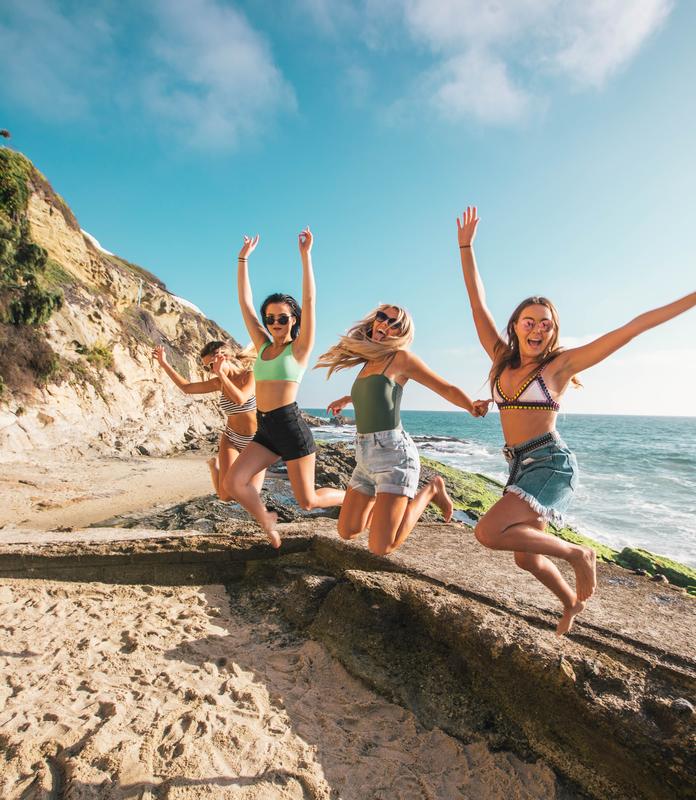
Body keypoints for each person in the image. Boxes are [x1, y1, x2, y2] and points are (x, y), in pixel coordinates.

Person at [457, 205, 696, 634]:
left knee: (488, 533)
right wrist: (466, 246)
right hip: (517, 463)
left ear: (553, 331)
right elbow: (477, 301)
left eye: (545, 325)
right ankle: (570, 604)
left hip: (550, 463)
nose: (537, 329)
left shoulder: (560, 367)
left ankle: (578, 555)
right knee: (526, 555)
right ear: (515, 326)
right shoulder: (500, 359)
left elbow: (633, 326)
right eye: (528, 322)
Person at [317, 303, 488, 556]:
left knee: (380, 547)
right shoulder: (370, 361)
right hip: (364, 457)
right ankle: (384, 506)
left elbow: (445, 387)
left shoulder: (401, 359)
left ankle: (432, 489)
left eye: (394, 324)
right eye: (382, 318)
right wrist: (348, 398)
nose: (385, 325)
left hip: (394, 456)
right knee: (348, 531)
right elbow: (378, 393)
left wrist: (471, 406)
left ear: (401, 333)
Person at [224, 229, 345, 547]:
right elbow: (245, 303)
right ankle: (267, 520)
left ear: (294, 319)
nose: (275, 323)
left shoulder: (300, 349)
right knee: (234, 482)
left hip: (291, 428)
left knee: (308, 501)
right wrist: (243, 259)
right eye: (270, 318)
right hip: (266, 428)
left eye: (282, 317)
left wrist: (306, 256)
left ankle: (355, 496)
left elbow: (309, 299)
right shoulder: (262, 345)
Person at [153, 341, 262, 500]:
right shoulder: (219, 382)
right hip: (231, 437)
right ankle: (214, 467)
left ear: (223, 357)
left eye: (211, 365)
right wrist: (164, 363)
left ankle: (216, 467)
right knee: (225, 496)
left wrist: (222, 374)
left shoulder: (250, 375)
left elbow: (241, 399)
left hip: (256, 441)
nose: (211, 371)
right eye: (207, 368)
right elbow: (187, 388)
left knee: (252, 494)